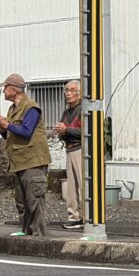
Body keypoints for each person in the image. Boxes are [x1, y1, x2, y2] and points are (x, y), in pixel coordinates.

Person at [0, 73, 52, 237]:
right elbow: (11, 134)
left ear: (14, 90)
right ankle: (26, 234)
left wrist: (6, 124)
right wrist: (3, 127)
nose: (3, 91)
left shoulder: (31, 107)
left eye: (5, 88)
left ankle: (39, 237)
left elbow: (26, 131)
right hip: (19, 162)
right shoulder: (12, 109)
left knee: (34, 201)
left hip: (33, 161)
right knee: (22, 202)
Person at [55, 80, 83, 229]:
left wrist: (66, 130)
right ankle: (74, 216)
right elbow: (64, 131)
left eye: (72, 90)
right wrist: (61, 131)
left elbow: (87, 132)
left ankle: (87, 217)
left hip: (81, 149)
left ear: (80, 93)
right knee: (71, 187)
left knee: (82, 186)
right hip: (70, 148)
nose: (68, 93)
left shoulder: (84, 109)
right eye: (66, 90)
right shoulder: (66, 112)